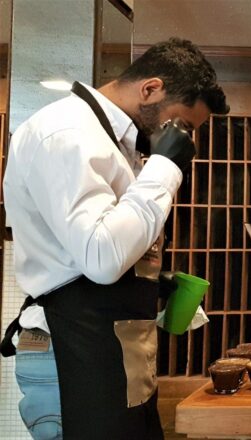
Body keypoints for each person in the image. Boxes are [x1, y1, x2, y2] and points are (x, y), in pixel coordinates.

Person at [1, 38, 228, 439]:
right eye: (181, 125)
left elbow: (102, 245)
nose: (183, 139)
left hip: (111, 351)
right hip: (70, 349)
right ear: (150, 89)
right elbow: (102, 259)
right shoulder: (67, 131)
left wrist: (149, 280)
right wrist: (164, 167)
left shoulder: (115, 143)